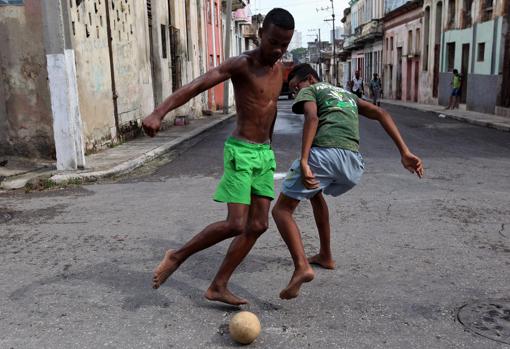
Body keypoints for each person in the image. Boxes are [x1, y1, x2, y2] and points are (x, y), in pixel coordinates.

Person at [142, 8, 295, 306]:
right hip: (240, 150)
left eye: (284, 45)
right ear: (261, 32)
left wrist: (270, 146)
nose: (278, 50)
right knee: (236, 224)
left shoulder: (279, 71)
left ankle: (218, 286)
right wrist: (159, 112)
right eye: (273, 42)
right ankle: (176, 256)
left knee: (259, 225)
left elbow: (271, 109)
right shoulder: (242, 64)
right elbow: (196, 85)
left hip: (263, 154)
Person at [271, 64, 424, 300]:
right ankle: (326, 256)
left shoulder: (311, 90)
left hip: (324, 156)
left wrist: (304, 159)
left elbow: (312, 118)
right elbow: (382, 113)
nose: (295, 92)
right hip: (353, 164)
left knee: (281, 211)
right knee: (314, 193)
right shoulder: (346, 94)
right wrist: (404, 151)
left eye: (295, 86)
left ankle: (301, 266)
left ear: (309, 79)